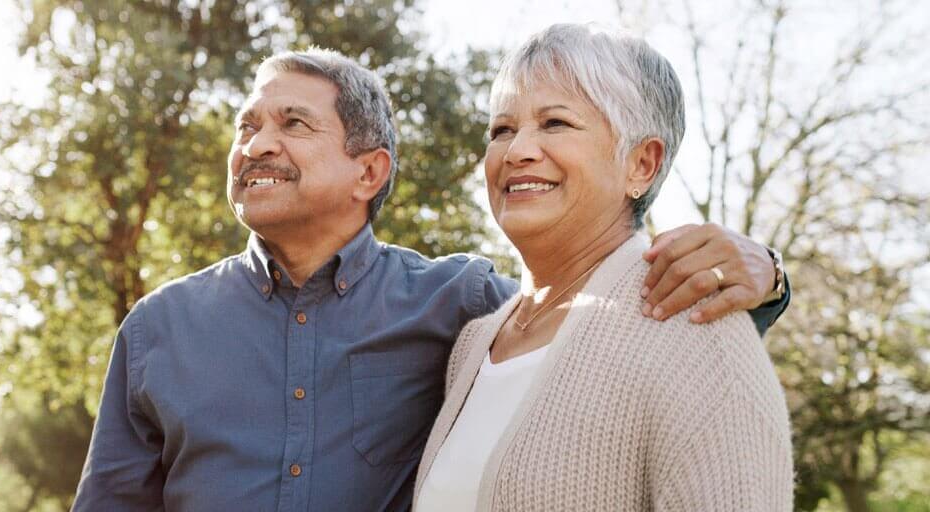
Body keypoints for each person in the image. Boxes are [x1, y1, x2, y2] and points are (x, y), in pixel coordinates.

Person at [73, 46, 790, 511]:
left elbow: (618, 342)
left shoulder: (461, 306)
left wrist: (765, 280)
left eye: (293, 123)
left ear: (369, 171)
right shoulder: (157, 330)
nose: (258, 144)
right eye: (247, 126)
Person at [413, 24, 793, 512]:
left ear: (641, 164)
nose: (516, 151)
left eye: (555, 123)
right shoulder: (474, 343)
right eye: (502, 130)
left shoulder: (695, 325)